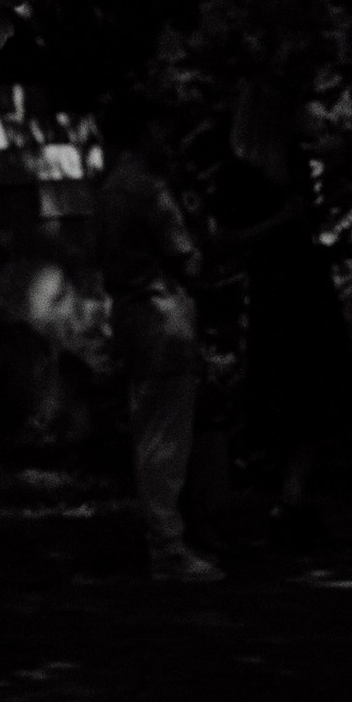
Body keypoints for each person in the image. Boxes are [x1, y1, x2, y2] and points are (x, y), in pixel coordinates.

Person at [214, 74, 352, 530]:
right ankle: (276, 489)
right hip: (275, 285)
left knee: (312, 388)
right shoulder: (240, 170)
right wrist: (281, 220)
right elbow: (227, 238)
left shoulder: (293, 161)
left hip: (303, 280)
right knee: (283, 385)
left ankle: (292, 493)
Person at [95, 99, 221, 584]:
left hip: (130, 314)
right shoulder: (149, 191)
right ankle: (167, 546)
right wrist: (204, 240)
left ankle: (168, 537)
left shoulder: (108, 189)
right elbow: (187, 260)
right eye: (160, 131)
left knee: (152, 427)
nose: (166, 142)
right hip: (161, 315)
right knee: (165, 434)